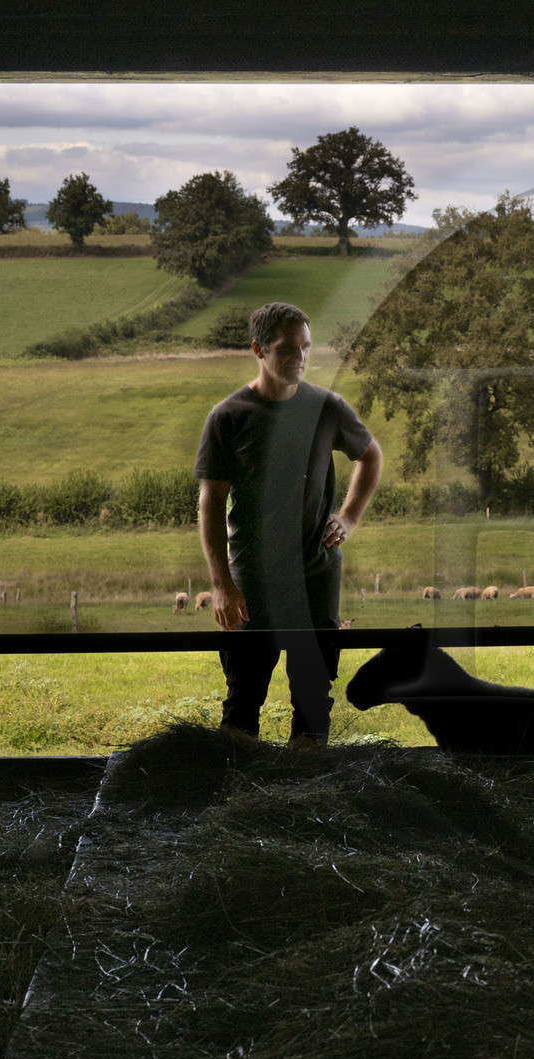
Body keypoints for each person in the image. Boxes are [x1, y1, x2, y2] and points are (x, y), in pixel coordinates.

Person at [193, 301, 383, 743]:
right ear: (258, 349)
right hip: (252, 581)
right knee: (243, 696)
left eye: (305, 347)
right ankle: (239, 780)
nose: (299, 357)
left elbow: (370, 456)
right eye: (286, 349)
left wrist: (348, 518)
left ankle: (307, 779)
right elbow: (210, 503)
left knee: (313, 697)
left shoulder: (327, 407)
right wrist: (221, 585)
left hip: (316, 574)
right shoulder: (228, 417)